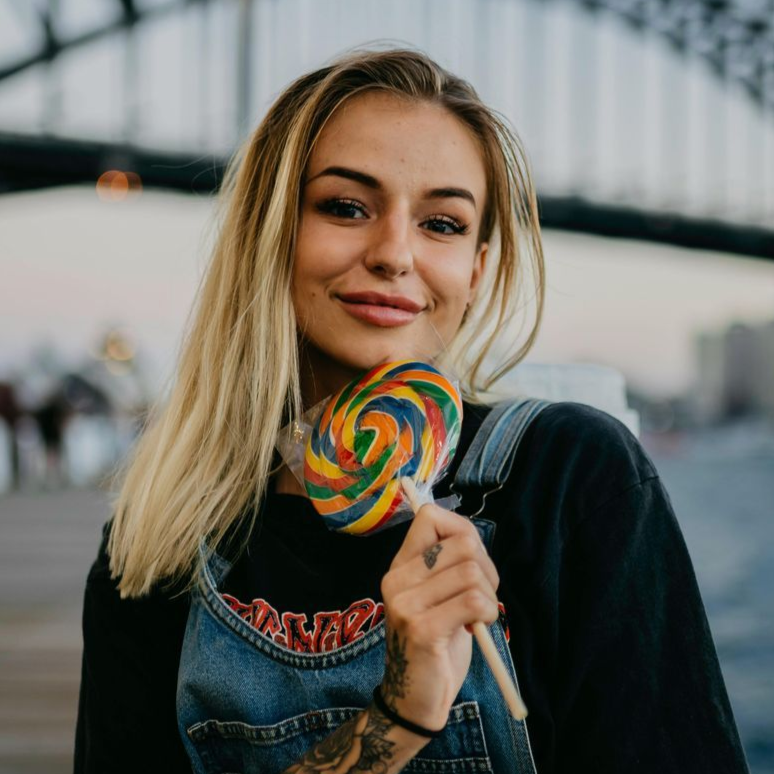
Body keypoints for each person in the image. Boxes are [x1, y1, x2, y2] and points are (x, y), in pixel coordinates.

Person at [74, 46, 749, 774]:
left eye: (444, 224)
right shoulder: (161, 540)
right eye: (345, 207)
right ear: (269, 237)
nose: (396, 253)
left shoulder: (571, 480)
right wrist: (399, 715)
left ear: (478, 270)